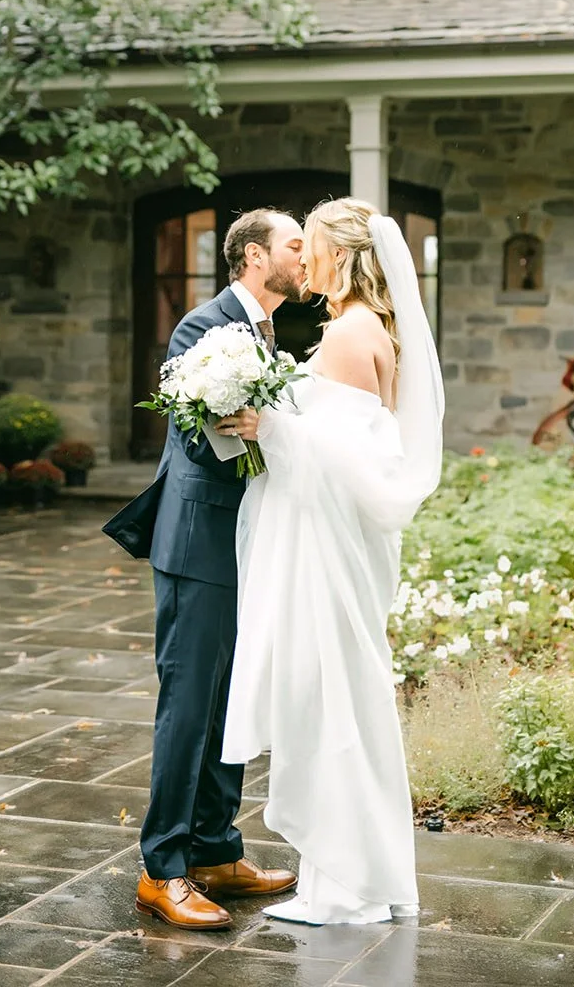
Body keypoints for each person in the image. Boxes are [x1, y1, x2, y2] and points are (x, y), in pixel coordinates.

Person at [216, 197, 444, 925]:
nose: (302, 259)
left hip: (333, 550)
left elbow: (344, 461)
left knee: (333, 703)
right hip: (342, 546)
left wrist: (266, 424)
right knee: (344, 698)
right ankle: (364, 883)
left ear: (340, 257)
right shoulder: (369, 327)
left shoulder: (348, 334)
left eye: (309, 246)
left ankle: (348, 894)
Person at [135, 207, 305, 931]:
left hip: (248, 544)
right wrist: (257, 431)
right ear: (254, 257)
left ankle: (214, 848)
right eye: (295, 245)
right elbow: (200, 445)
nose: (306, 256)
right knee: (187, 706)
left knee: (232, 701)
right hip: (199, 546)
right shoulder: (200, 330)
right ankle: (162, 868)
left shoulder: (269, 333)